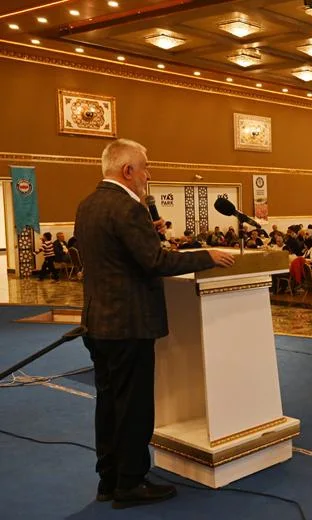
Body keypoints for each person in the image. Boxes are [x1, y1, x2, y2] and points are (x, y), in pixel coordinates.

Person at [74, 139, 235, 508]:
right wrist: (206, 255)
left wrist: (147, 232)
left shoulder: (89, 205)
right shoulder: (127, 208)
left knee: (108, 402)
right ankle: (131, 483)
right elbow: (155, 263)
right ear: (127, 171)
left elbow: (116, 257)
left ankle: (109, 478)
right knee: (134, 406)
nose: (148, 174)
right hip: (129, 324)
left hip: (98, 321)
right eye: (145, 167)